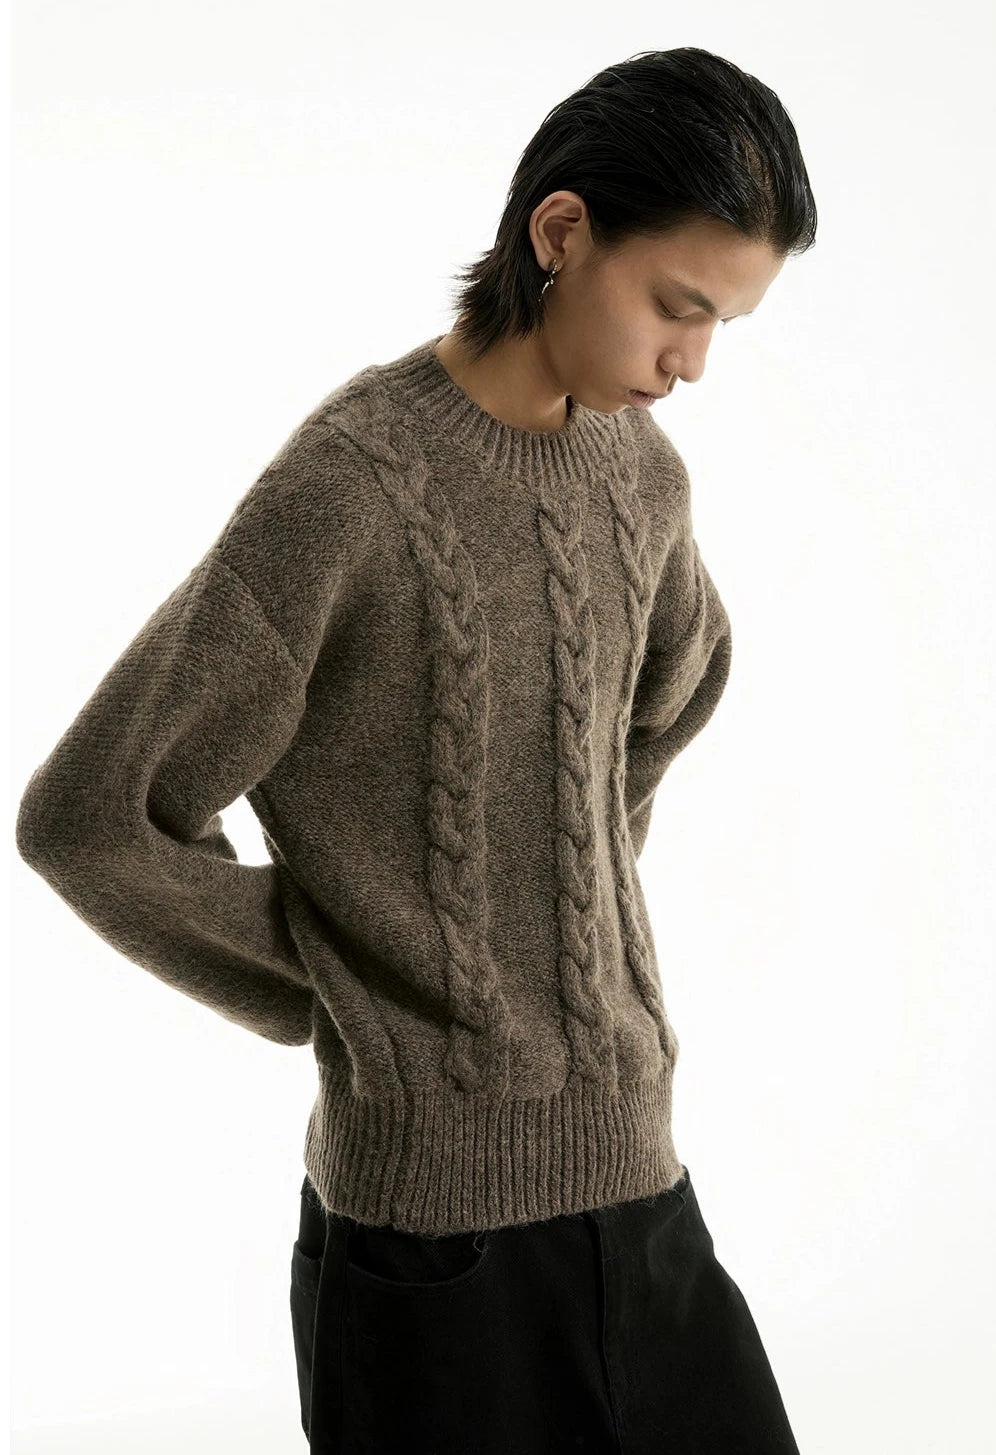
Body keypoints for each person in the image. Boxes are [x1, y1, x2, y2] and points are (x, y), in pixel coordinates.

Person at [16, 45, 814, 1454]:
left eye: (722, 327)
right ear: (560, 234)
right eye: (676, 307)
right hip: (431, 1253)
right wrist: (346, 978)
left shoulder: (641, 478)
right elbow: (90, 816)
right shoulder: (350, 489)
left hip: (641, 1188)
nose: (691, 364)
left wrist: (570, 882)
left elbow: (674, 689)